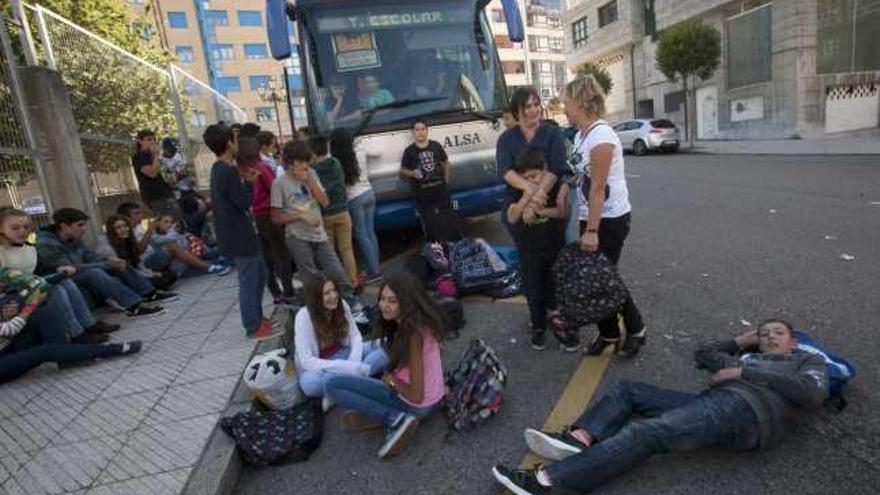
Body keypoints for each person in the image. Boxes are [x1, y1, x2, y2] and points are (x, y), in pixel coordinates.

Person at [491, 320, 829, 494]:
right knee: (630, 390)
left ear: (794, 343)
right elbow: (704, 355)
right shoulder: (748, 353)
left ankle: (549, 482)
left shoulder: (807, 360)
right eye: (764, 332)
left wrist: (743, 371)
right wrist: (740, 343)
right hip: (716, 403)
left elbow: (812, 393)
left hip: (750, 411)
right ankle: (580, 438)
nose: (770, 337)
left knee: (650, 432)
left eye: (778, 333)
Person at [561, 75, 646, 357]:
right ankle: (609, 333)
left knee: (602, 279)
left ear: (581, 102)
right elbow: (579, 174)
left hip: (609, 220)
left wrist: (592, 231)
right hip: (591, 216)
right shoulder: (580, 135)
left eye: (567, 101)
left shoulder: (601, 136)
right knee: (594, 279)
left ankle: (636, 329)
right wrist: (565, 186)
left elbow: (598, 186)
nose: (563, 106)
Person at [325, 272, 446, 458]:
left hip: (417, 405)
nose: (384, 306)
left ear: (407, 302)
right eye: (382, 299)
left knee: (333, 385)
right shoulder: (421, 323)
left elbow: (417, 395)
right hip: (433, 398)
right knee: (366, 380)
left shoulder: (413, 335)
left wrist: (392, 381)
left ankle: (394, 418)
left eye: (392, 301)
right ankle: (383, 413)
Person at [0, 267, 142, 384]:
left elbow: (38, 284)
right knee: (41, 352)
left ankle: (66, 357)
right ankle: (110, 350)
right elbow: (10, 329)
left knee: (44, 313)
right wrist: (31, 304)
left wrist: (9, 315)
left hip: (7, 347)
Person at [0, 208, 118, 344]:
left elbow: (41, 270)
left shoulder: (30, 249)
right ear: (2, 229)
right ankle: (76, 335)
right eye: (15, 228)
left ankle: (89, 324)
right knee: (56, 290)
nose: (22, 231)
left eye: (26, 227)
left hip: (30, 289)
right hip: (9, 296)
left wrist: (59, 268)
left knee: (66, 283)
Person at [205, 123, 277, 340]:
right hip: (239, 235)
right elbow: (244, 202)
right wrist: (249, 183)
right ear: (229, 143)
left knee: (260, 273)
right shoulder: (226, 171)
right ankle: (252, 325)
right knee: (249, 279)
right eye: (234, 139)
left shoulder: (220, 168)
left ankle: (256, 316)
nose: (237, 143)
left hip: (238, 233)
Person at [36, 208, 171, 318]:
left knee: (117, 262)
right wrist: (106, 264)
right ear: (64, 226)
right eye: (80, 225)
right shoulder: (47, 243)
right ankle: (133, 307)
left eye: (84, 225)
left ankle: (149, 293)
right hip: (61, 277)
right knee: (95, 273)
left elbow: (91, 257)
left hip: (79, 271)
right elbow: (69, 268)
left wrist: (109, 261)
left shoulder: (74, 239)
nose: (84, 229)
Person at [270, 140, 359, 308]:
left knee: (336, 271)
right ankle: (319, 309)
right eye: (300, 162)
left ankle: (351, 304)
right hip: (297, 236)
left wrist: (310, 183)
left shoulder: (311, 174)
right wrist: (299, 215)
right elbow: (275, 217)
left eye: (306, 161)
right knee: (311, 276)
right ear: (290, 162)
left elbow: (325, 202)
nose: (304, 165)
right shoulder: (279, 183)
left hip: (319, 233)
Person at [507, 150, 576, 352]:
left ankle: (564, 327)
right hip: (529, 252)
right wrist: (525, 199)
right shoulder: (516, 190)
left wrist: (539, 210)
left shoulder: (555, 186)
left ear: (544, 171)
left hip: (555, 248)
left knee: (559, 289)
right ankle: (538, 329)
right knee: (534, 292)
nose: (531, 181)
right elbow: (512, 217)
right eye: (525, 178)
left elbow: (563, 212)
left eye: (534, 176)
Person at [293, 275, 389, 410]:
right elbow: (307, 361)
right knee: (310, 384)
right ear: (315, 297)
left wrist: (353, 362)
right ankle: (358, 383)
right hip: (322, 367)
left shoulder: (341, 304)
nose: (333, 296)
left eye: (334, 290)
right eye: (326, 293)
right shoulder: (303, 317)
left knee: (388, 345)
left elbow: (355, 336)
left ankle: (337, 393)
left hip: (347, 354)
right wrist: (346, 367)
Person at [495, 87, 568, 236]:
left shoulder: (553, 134)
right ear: (517, 111)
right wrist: (528, 188)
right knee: (525, 253)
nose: (534, 110)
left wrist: (537, 196)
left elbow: (556, 168)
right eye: (528, 106)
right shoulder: (506, 139)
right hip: (517, 203)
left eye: (536, 104)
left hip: (548, 202)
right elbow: (505, 171)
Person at [239, 135, 297, 305]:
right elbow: (275, 188)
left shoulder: (243, 170)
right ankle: (288, 292)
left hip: (256, 216)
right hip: (270, 214)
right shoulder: (262, 167)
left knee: (266, 256)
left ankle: (276, 293)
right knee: (281, 254)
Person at [330, 128, 381, 283]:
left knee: (361, 234)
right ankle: (375, 267)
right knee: (370, 232)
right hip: (369, 193)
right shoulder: (360, 150)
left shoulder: (338, 158)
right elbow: (377, 152)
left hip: (354, 197)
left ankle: (374, 272)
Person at [309, 135, 358, 286]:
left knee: (329, 253)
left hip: (325, 215)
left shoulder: (312, 170)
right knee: (347, 249)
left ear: (313, 152)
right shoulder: (336, 163)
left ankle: (335, 283)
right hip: (343, 212)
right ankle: (352, 281)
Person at [399, 119, 454, 241]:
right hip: (422, 193)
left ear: (427, 130)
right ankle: (435, 250)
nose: (420, 132)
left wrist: (446, 181)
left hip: (440, 190)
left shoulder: (436, 146)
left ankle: (452, 245)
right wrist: (413, 173)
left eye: (423, 129)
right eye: (417, 130)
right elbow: (403, 170)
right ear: (413, 133)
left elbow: (446, 163)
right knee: (429, 224)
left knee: (448, 221)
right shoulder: (409, 151)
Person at [100, 214, 177, 291]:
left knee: (171, 276)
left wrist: (152, 274)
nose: (123, 229)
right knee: (159, 281)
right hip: (125, 280)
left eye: (125, 226)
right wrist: (149, 276)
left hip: (139, 274)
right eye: (118, 228)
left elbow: (137, 264)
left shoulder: (127, 241)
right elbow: (126, 272)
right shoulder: (108, 248)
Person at [142, 213, 229, 277]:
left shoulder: (173, 233)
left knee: (223, 245)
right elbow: (170, 239)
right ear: (157, 223)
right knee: (225, 261)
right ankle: (212, 267)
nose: (169, 224)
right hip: (184, 267)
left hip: (196, 256)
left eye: (171, 222)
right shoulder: (156, 237)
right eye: (165, 222)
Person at [131, 129, 178, 215]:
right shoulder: (139, 157)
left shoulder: (155, 156)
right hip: (155, 197)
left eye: (154, 139)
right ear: (140, 141)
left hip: (167, 193)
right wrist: (156, 155)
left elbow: (168, 174)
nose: (152, 142)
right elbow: (152, 173)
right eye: (149, 139)